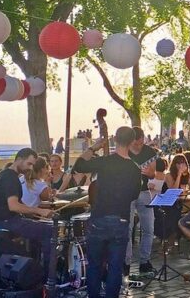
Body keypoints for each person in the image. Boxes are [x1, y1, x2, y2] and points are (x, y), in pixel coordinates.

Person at [72, 127, 141, 298]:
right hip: (121, 221)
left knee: (95, 265)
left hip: (100, 219)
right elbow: (134, 195)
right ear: (132, 142)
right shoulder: (134, 168)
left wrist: (93, 147)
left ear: (114, 140)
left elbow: (79, 166)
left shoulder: (105, 161)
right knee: (115, 267)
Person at [0, 149, 54, 277]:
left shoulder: (4, 174)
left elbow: (19, 204)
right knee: (49, 231)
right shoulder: (11, 178)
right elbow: (13, 206)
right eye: (29, 164)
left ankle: (34, 265)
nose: (30, 168)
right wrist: (39, 210)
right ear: (19, 159)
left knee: (39, 227)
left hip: (1, 220)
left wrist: (35, 214)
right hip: (6, 222)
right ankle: (48, 277)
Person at [124, 126, 157, 274]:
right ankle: (126, 262)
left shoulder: (150, 152)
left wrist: (150, 172)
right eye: (136, 142)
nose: (139, 144)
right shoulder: (124, 151)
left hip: (144, 192)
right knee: (128, 229)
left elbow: (152, 174)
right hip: (127, 193)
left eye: (141, 141)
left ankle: (145, 261)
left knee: (149, 228)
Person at [153, 158, 182, 244]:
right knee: (173, 213)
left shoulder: (155, 176)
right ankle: (170, 238)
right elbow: (173, 190)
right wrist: (179, 175)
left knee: (175, 212)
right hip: (159, 204)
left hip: (163, 202)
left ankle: (170, 238)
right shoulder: (167, 175)